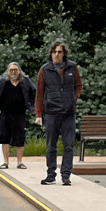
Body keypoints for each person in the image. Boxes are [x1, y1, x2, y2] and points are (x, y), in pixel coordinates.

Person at [34, 39, 83, 185]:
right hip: (51, 113)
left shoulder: (72, 67)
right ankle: (50, 175)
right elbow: (40, 93)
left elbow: (79, 85)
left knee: (68, 146)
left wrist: (72, 99)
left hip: (68, 113)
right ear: (51, 53)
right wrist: (38, 114)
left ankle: (66, 175)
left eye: (59, 52)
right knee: (51, 146)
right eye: (54, 52)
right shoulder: (44, 70)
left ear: (64, 53)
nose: (56, 54)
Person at [0, 62, 35, 170]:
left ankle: (20, 162)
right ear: (8, 72)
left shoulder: (25, 82)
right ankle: (6, 162)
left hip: (20, 114)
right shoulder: (2, 82)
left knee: (20, 138)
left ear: (19, 71)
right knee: (5, 138)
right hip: (5, 113)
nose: (13, 72)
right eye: (11, 70)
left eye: (15, 70)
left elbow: (34, 93)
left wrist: (31, 106)